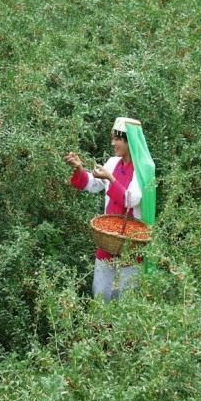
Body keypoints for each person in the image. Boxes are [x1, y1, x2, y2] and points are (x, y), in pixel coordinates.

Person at [64, 117, 156, 302]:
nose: (113, 143)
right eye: (113, 138)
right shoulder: (113, 163)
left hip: (131, 242)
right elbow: (94, 184)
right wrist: (79, 169)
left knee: (126, 296)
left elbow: (132, 199)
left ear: (129, 140)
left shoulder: (144, 167)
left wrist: (111, 179)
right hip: (109, 239)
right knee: (101, 292)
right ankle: (99, 329)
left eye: (118, 139)